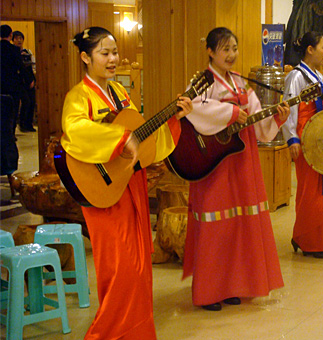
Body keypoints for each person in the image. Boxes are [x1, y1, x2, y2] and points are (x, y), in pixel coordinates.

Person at [60, 27, 192, 339]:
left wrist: (175, 118)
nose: (113, 59)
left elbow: (139, 134)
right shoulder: (79, 96)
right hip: (101, 190)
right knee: (119, 268)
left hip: (128, 184)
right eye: (104, 53)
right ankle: (107, 332)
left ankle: (137, 330)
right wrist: (119, 138)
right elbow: (75, 131)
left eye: (115, 52)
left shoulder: (120, 93)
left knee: (138, 263)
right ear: (85, 57)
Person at [182, 27, 289, 311]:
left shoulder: (241, 83)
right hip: (215, 161)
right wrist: (229, 112)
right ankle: (208, 291)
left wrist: (276, 119)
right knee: (216, 225)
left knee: (237, 225)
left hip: (243, 159)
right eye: (225, 49)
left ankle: (232, 285)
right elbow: (192, 108)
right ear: (210, 51)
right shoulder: (202, 81)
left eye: (234, 48)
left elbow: (258, 124)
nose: (231, 55)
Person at [282, 31, 323, 259]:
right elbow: (290, 107)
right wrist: (292, 137)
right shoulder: (296, 75)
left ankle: (309, 237)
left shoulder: (317, 74)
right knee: (308, 190)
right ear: (310, 50)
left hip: (317, 136)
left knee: (319, 189)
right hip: (305, 136)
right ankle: (307, 239)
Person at [1, 25, 33, 137]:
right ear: (10, 35)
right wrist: (29, 80)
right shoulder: (14, 50)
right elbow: (21, 67)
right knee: (13, 109)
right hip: (12, 83)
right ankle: (11, 133)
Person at [12, 30, 37, 132]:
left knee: (32, 102)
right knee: (25, 102)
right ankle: (22, 124)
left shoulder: (28, 52)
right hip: (19, 82)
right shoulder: (13, 52)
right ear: (13, 40)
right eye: (17, 38)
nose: (19, 40)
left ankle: (29, 124)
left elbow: (33, 65)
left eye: (20, 38)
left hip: (30, 80)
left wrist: (33, 80)